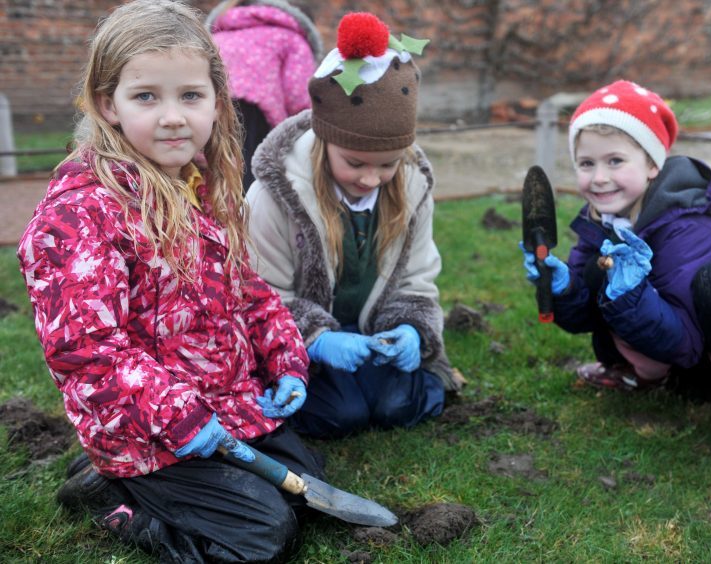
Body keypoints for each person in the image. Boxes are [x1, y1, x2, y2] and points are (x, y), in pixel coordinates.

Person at [17, 1, 323, 561]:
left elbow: (247, 290)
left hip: (219, 406)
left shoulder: (197, 187)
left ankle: (163, 481)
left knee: (307, 484)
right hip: (145, 426)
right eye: (146, 97)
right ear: (108, 105)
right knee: (262, 535)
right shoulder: (80, 215)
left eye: (190, 95)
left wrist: (285, 358)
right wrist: (175, 414)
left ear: (215, 100)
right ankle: (113, 495)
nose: (173, 117)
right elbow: (86, 350)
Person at [521, 80, 711, 469]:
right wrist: (562, 288)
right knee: (599, 274)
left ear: (652, 164)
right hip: (689, 353)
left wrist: (630, 295)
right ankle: (644, 373)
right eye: (586, 163)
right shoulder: (600, 221)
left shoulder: (690, 225)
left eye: (615, 161)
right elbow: (582, 319)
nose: (598, 178)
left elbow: (687, 344)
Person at [247, 12, 464, 440]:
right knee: (340, 414)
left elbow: (417, 278)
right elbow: (257, 294)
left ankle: (426, 375)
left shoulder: (413, 186)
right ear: (325, 139)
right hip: (297, 344)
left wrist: (410, 329)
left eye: (387, 164)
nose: (370, 179)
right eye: (354, 162)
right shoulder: (274, 193)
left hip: (369, 338)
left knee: (395, 406)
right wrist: (316, 338)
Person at [207, 0, 322, 191]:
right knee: (251, 173)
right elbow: (298, 95)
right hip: (256, 113)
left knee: (216, 165)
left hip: (213, 105)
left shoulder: (217, 35)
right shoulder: (290, 37)